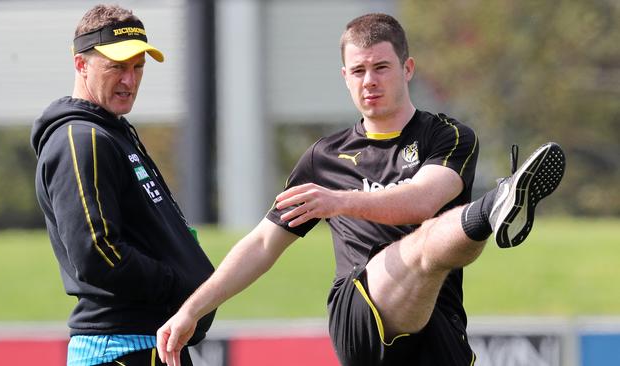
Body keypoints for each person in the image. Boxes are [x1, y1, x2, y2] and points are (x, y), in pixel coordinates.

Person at [156, 13, 566, 366]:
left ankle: (494, 211)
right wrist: (191, 310)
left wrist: (338, 201)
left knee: (444, 243)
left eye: (381, 68)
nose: (369, 81)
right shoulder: (324, 159)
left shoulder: (449, 136)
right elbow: (263, 243)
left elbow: (422, 199)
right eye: (358, 71)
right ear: (344, 77)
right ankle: (497, 203)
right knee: (426, 246)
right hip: (360, 314)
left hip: (437, 326)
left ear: (408, 69)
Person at [31, 5, 216, 366]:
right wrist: (181, 287)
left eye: (138, 67)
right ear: (81, 64)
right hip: (122, 350)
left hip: (149, 345)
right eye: (116, 66)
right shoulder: (79, 138)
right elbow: (97, 254)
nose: (130, 80)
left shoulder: (110, 132)